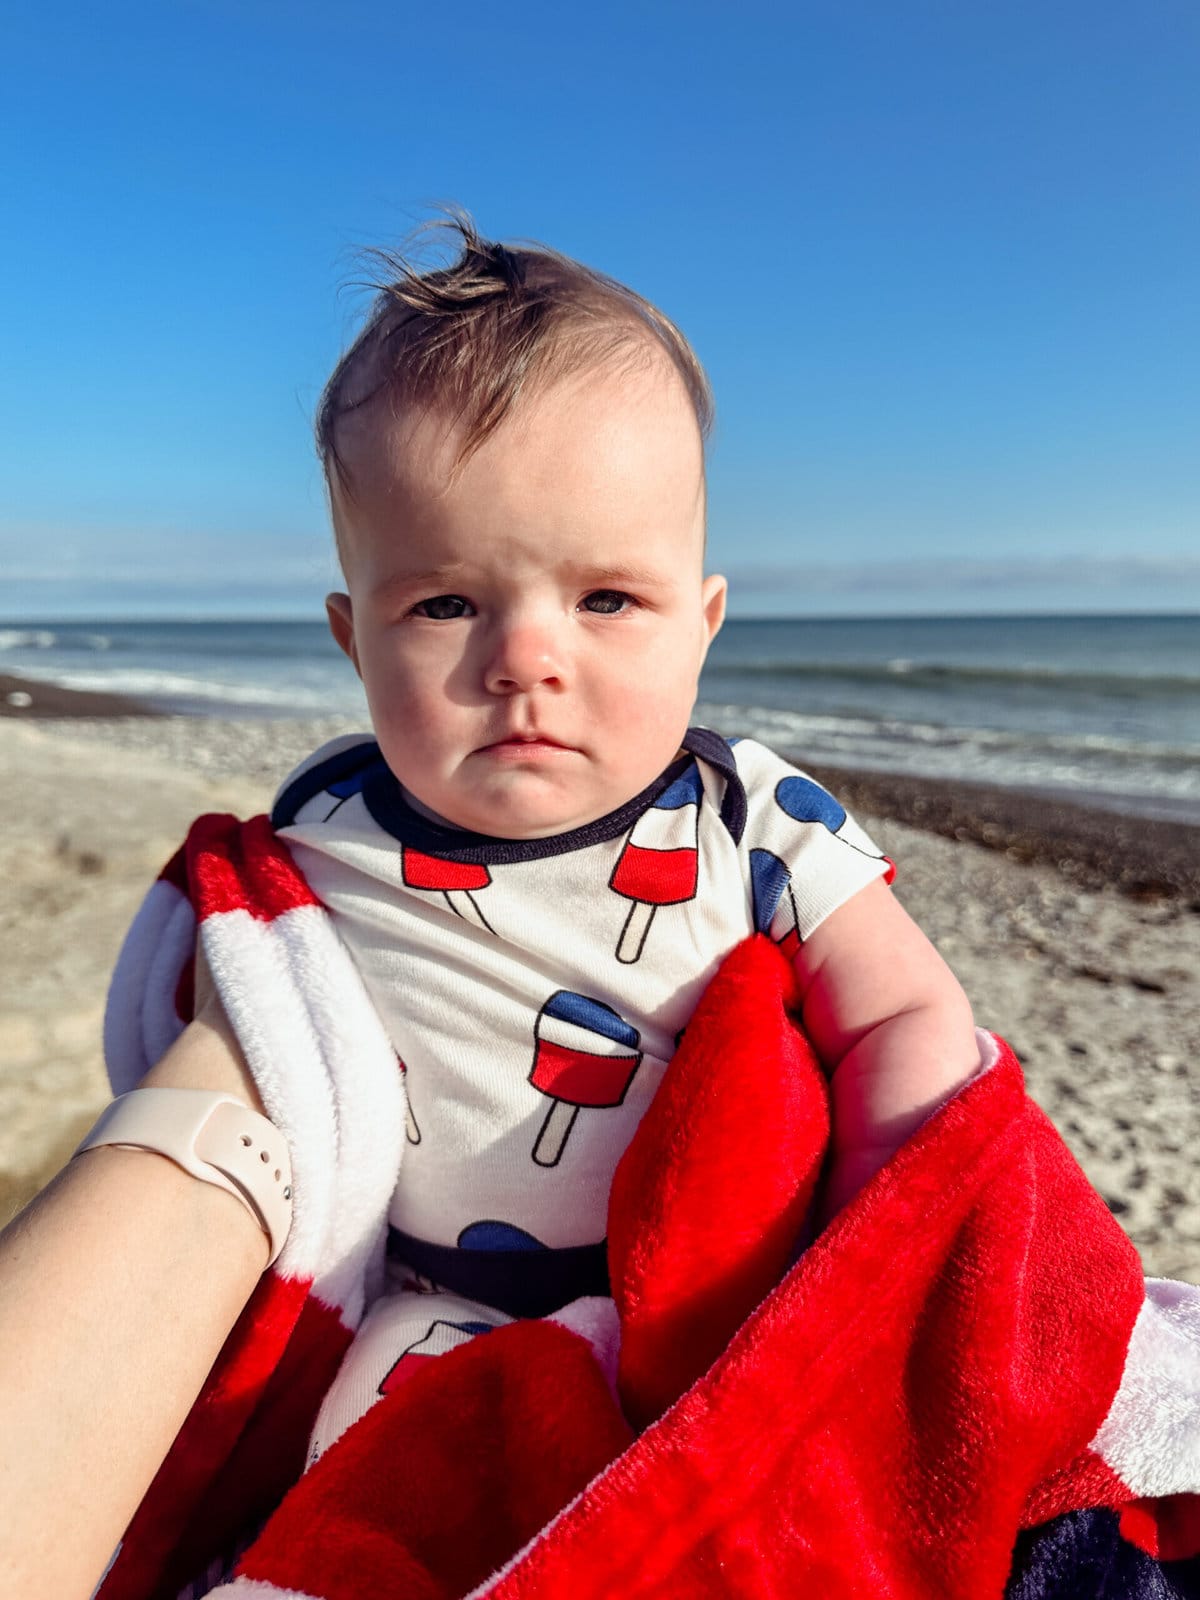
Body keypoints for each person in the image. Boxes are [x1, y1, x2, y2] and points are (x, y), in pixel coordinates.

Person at [0, 214, 979, 1597]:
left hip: (701, 1306)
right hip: (419, 1318)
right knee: (365, 1527)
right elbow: (255, 999)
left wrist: (892, 1204)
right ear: (354, 638)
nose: (527, 658)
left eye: (607, 598)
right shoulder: (321, 834)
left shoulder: (751, 817)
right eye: (450, 603)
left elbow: (907, 1010)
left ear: (704, 623)